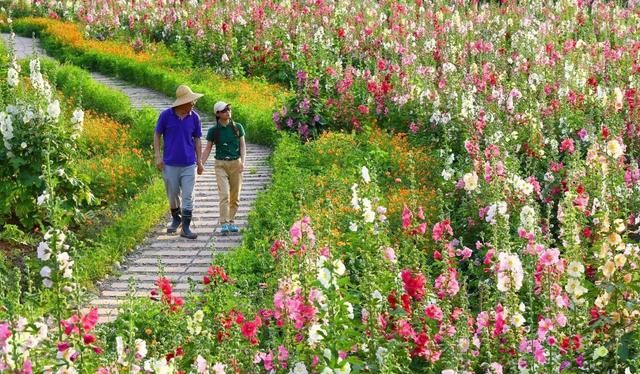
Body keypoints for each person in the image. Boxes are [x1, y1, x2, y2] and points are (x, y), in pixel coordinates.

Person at [153, 84, 204, 239]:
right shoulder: (166, 116)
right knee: (173, 194)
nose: (193, 104)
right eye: (191, 102)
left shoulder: (195, 118)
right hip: (170, 163)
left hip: (189, 163)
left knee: (188, 196)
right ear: (183, 103)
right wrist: (158, 156)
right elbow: (157, 135)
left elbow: (197, 140)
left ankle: (186, 228)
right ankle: (176, 218)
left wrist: (200, 161)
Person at [201, 101, 246, 234]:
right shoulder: (213, 131)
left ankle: (231, 220)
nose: (228, 111)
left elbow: (243, 146)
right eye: (224, 110)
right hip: (220, 164)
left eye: (228, 109)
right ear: (218, 114)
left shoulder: (238, 127)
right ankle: (224, 222)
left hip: (235, 163)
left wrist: (243, 161)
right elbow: (208, 148)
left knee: (235, 195)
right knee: (224, 194)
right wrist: (201, 163)